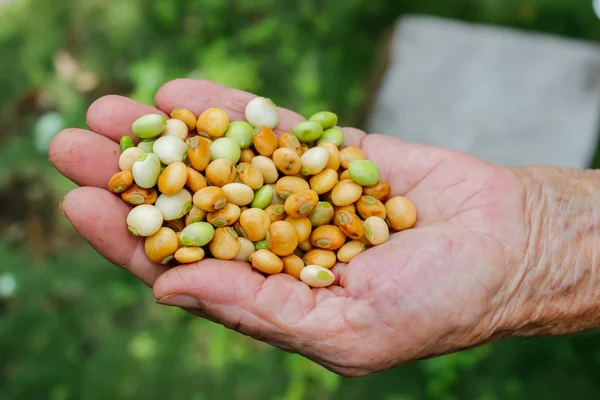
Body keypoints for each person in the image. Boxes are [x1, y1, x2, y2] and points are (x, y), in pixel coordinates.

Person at [48, 79, 600, 378]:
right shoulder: (214, 175)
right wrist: (536, 235)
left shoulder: (299, 188)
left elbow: (265, 198)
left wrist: (536, 241)